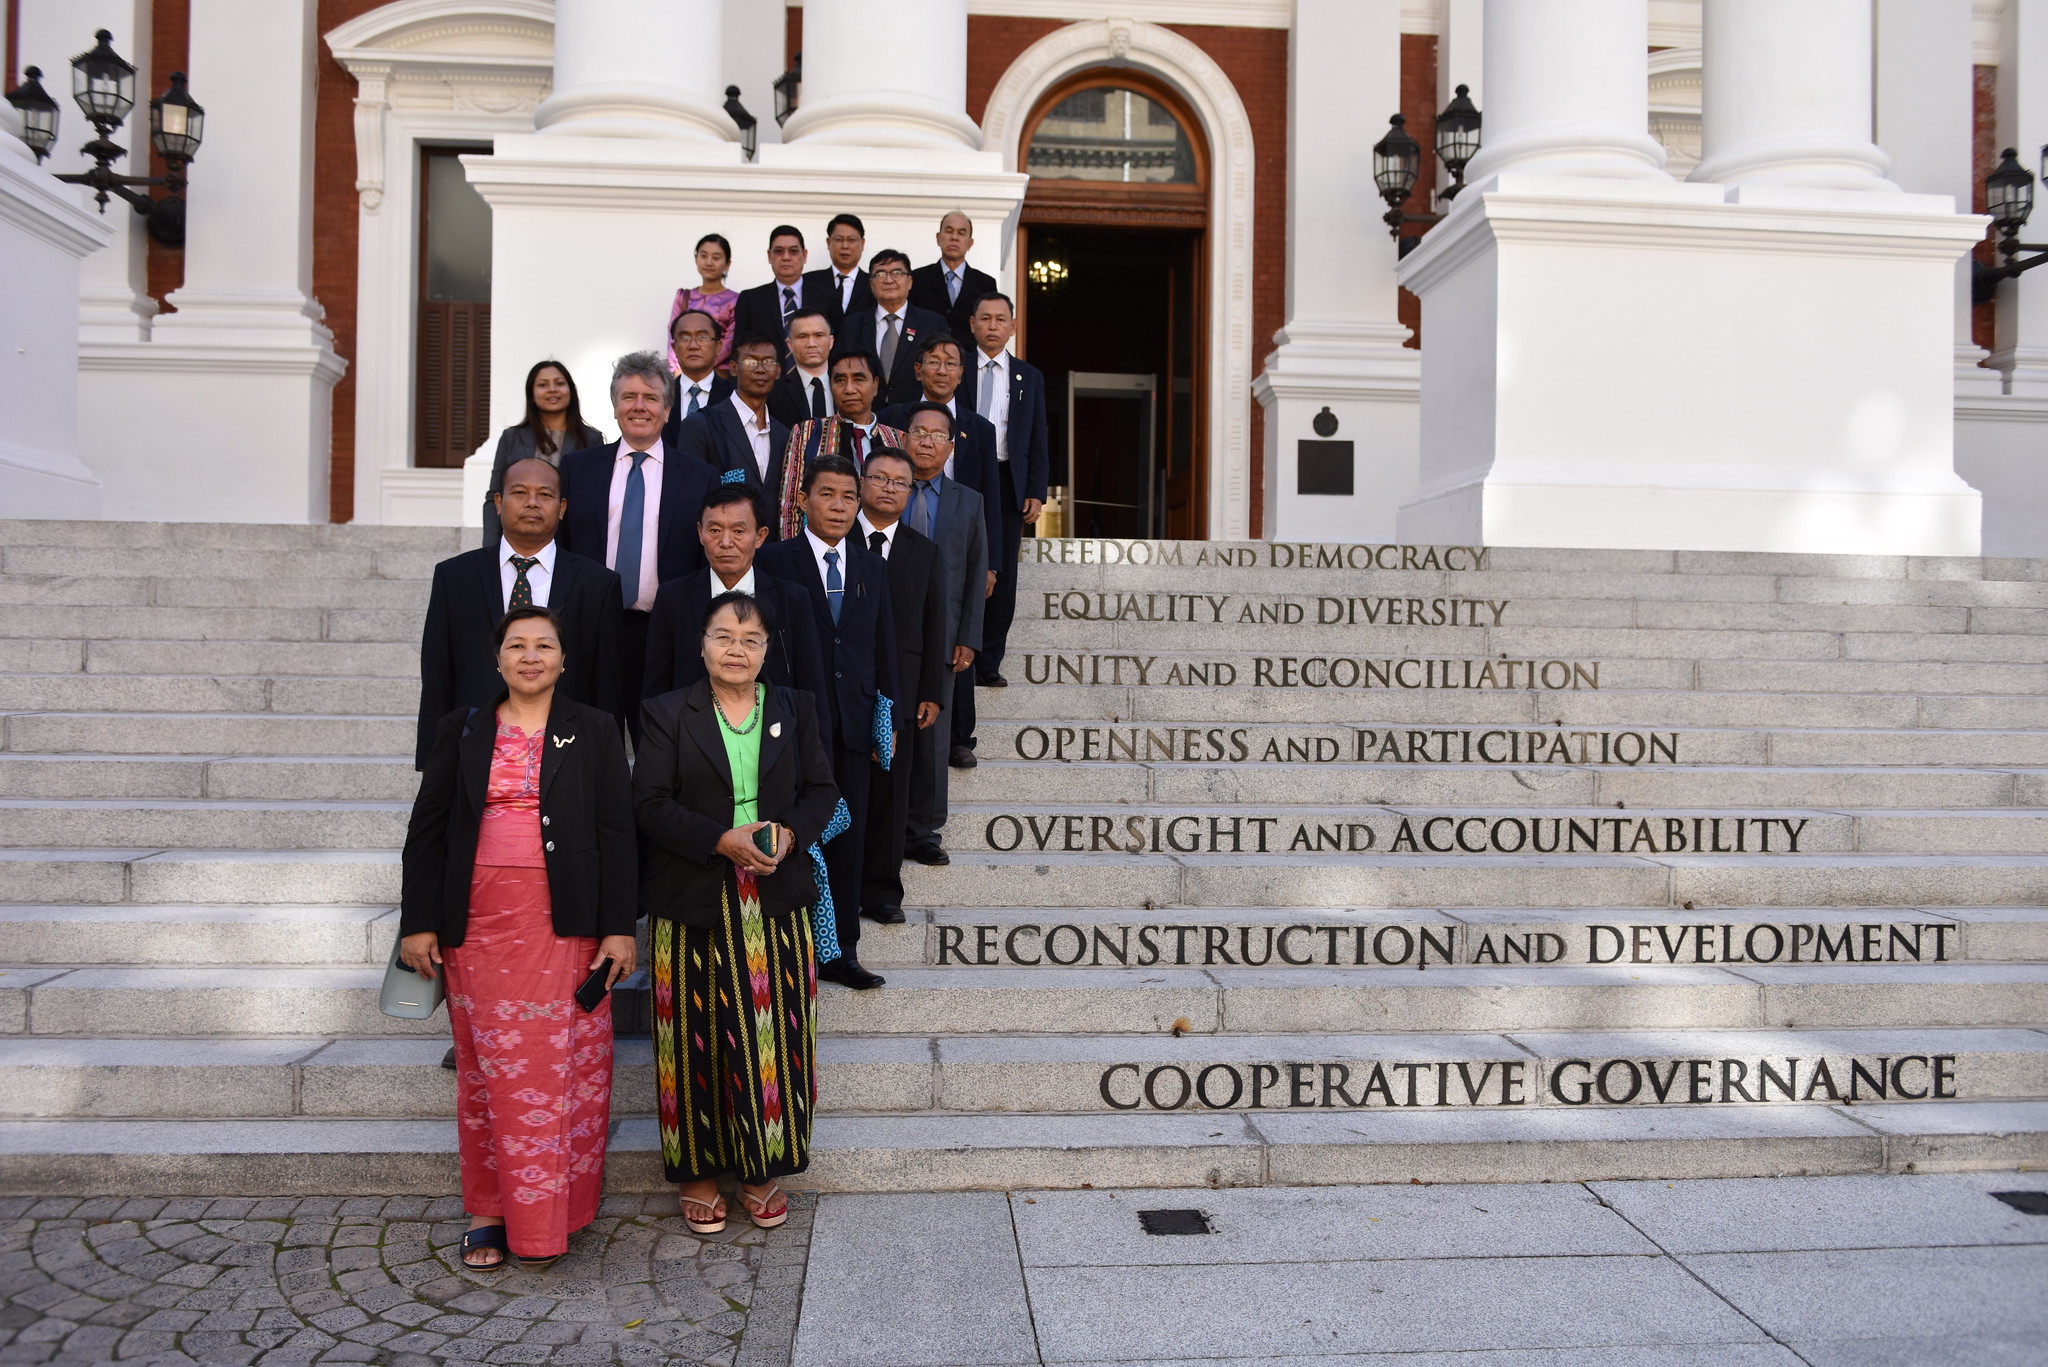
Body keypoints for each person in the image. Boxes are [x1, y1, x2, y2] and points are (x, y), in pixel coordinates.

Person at [400, 604, 638, 1271]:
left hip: (566, 925)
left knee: (566, 1070)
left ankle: (553, 1214)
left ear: (564, 658)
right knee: (486, 1073)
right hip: (478, 928)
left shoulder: (592, 730)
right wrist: (418, 919)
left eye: (544, 645)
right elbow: (428, 829)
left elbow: (618, 834)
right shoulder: (465, 727)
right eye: (516, 644)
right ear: (497, 658)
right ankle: (487, 1209)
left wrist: (620, 927)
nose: (530, 656)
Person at [633, 592, 840, 1233]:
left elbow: (823, 790)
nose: (736, 650)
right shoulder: (668, 712)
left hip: (774, 894)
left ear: (768, 649)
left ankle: (760, 1166)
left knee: (773, 1035)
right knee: (690, 1040)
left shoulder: (795, 708)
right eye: (724, 636)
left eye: (751, 640)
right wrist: (719, 840)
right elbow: (648, 801)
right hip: (694, 891)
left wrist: (788, 836)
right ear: (702, 643)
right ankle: (696, 1172)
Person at [757, 456, 898, 990]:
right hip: (792, 727)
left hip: (855, 724)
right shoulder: (773, 561)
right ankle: (792, 947)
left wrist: (887, 718)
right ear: (802, 500)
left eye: (847, 497)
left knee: (850, 837)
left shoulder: (869, 565)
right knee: (798, 833)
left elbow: (882, 643)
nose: (838, 507)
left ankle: (843, 951)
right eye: (827, 495)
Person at [418, 457, 623, 769]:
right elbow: (437, 674)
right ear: (498, 503)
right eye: (519, 493)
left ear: (562, 507)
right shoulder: (455, 577)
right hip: (475, 745)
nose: (532, 503)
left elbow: (607, 683)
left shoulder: (598, 583)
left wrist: (608, 763)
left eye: (544, 494)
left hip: (567, 749)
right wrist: (433, 760)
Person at [558, 352, 715, 739]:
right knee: (595, 746)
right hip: (594, 632)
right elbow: (563, 548)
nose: (639, 406)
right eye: (629, 397)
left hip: (665, 633)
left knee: (662, 746)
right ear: (614, 407)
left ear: (667, 409)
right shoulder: (578, 469)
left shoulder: (699, 477)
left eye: (650, 397)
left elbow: (703, 559)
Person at [854, 449, 948, 924]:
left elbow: (936, 627)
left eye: (900, 483)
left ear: (910, 493)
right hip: (843, 686)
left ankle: (883, 892)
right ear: (862, 482)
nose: (889, 488)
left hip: (905, 691)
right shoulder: (835, 539)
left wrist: (931, 691)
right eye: (880, 478)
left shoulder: (924, 551)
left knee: (892, 793)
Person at [641, 484, 830, 718]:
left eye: (739, 532)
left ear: (760, 536)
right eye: (715, 530)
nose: (726, 542)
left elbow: (811, 690)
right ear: (700, 532)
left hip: (774, 740)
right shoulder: (673, 597)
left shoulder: (792, 599)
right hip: (690, 740)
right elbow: (656, 687)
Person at [897, 405, 987, 864]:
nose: (927, 441)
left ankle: (925, 831)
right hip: (889, 628)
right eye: (918, 432)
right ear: (904, 437)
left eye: (937, 434)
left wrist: (969, 636)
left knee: (934, 736)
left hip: (945, 633)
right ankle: (887, 824)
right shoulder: (883, 489)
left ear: (951, 446)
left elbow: (975, 575)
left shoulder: (968, 500)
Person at [965, 292, 1049, 689]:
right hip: (963, 476)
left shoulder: (1028, 376)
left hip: (1006, 479)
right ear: (972, 324)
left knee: (1004, 571)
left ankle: (989, 659)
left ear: (1013, 326)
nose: (993, 326)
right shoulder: (959, 367)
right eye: (985, 318)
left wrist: (1036, 488)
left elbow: (1037, 436)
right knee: (964, 562)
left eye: (1001, 319)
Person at [770, 347, 905, 539]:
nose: (849, 389)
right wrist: (794, 556)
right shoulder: (808, 432)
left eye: (858, 379)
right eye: (840, 380)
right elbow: (790, 505)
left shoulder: (896, 438)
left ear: (875, 385)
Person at [676, 332, 793, 536]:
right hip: (723, 550)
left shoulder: (784, 434)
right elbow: (689, 500)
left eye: (768, 361)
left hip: (773, 554)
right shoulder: (701, 425)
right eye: (750, 361)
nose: (760, 369)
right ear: (733, 368)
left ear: (777, 371)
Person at [481, 361, 605, 546]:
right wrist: (490, 547)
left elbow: (594, 501)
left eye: (559, 383)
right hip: (517, 541)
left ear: (570, 390)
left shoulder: (591, 440)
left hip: (571, 544)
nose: (552, 389)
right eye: (542, 385)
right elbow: (494, 496)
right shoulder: (512, 438)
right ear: (531, 394)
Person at [836, 249, 947, 408]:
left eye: (896, 273)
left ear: (909, 281)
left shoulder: (933, 323)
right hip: (864, 415)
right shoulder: (852, 325)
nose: (888, 280)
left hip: (916, 415)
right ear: (871, 284)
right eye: (880, 274)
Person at [733, 224, 828, 366]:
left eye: (793, 251)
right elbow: (739, 351)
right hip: (765, 383)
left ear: (805, 255)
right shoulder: (750, 299)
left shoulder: (827, 298)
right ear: (769, 256)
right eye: (779, 251)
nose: (786, 257)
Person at [910, 211, 996, 343]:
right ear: (939, 238)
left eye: (961, 233)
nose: (954, 237)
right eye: (949, 231)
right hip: (927, 358)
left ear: (970, 243)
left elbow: (989, 328)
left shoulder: (986, 284)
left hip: (970, 359)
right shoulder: (917, 279)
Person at [660, 309, 736, 452]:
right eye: (684, 338)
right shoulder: (659, 395)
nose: (693, 345)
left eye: (702, 337)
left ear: (718, 346)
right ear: (674, 348)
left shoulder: (734, 397)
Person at [667, 233, 740, 374]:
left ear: (727, 264)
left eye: (716, 258)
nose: (709, 262)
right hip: (683, 374)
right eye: (704, 256)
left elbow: (729, 343)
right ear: (696, 259)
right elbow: (673, 337)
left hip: (720, 376)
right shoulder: (684, 297)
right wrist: (676, 370)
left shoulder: (735, 300)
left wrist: (700, 365)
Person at [766, 309, 836, 429]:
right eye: (802, 336)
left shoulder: (849, 387)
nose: (811, 343)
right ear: (790, 344)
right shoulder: (772, 393)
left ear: (831, 341)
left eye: (819, 335)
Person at [803, 213, 873, 327]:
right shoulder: (808, 281)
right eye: (839, 239)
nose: (845, 246)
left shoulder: (874, 284)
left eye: (851, 240)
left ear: (862, 243)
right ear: (829, 243)